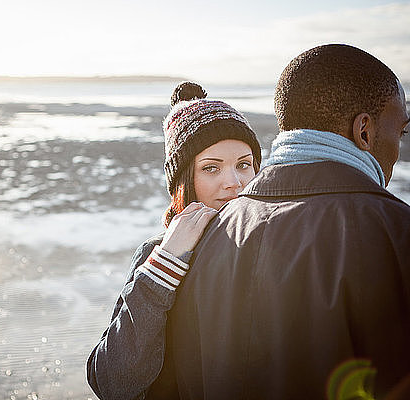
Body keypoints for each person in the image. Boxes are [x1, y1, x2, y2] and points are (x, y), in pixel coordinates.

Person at [166, 44, 410, 399]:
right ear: (365, 131)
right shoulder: (398, 234)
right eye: (399, 132)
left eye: (242, 163)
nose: (399, 147)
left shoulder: (202, 241)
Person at [87, 82, 263, 400]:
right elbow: (112, 383)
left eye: (243, 165)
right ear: (184, 181)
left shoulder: (271, 246)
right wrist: (166, 263)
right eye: (211, 169)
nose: (234, 183)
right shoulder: (157, 255)